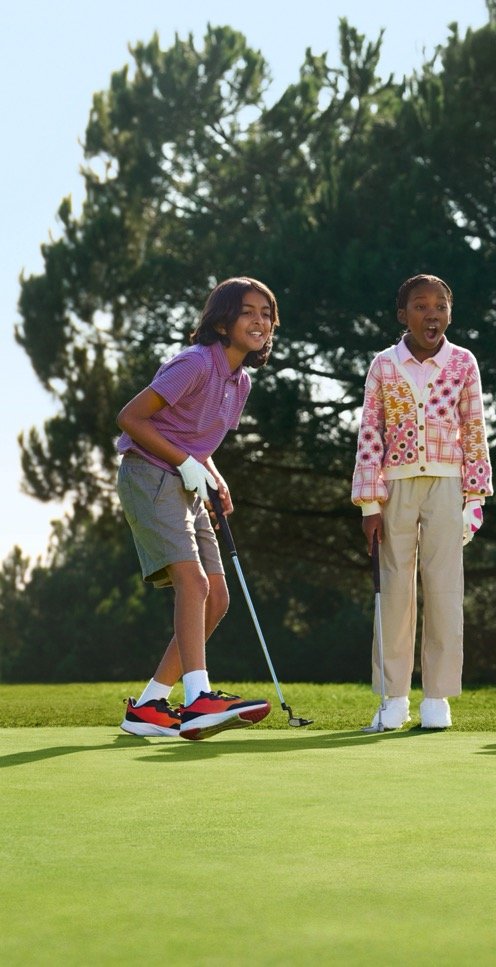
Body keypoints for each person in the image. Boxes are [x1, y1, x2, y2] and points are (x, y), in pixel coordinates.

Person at [115, 277, 278, 740]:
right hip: (148, 475)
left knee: (217, 597)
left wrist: (214, 476)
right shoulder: (194, 364)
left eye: (266, 314)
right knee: (193, 582)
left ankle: (148, 704)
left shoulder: (239, 381)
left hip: (185, 482)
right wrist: (188, 463)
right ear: (223, 320)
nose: (260, 321)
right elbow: (130, 418)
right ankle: (198, 699)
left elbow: (196, 440)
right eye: (249, 311)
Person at [352, 273, 493, 730]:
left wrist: (475, 498)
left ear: (449, 314)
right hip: (395, 488)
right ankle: (394, 698)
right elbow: (370, 433)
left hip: (449, 486)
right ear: (402, 315)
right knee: (394, 593)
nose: (431, 314)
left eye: (440, 306)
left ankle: (438, 698)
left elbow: (474, 429)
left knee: (445, 591)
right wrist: (369, 503)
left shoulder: (463, 363)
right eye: (420, 306)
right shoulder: (383, 365)